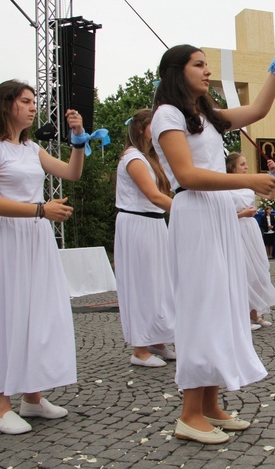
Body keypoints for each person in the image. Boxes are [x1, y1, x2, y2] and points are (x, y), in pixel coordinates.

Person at [151, 26, 275, 444]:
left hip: (216, 215)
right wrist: (248, 180)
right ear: (176, 72)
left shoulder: (206, 117)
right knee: (201, 309)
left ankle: (211, 406)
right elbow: (185, 175)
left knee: (222, 306)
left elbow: (255, 110)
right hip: (195, 214)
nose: (207, 70)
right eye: (199, 64)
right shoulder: (167, 115)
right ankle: (188, 414)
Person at [0, 80, 85, 435]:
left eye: (34, 101)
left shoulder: (32, 148)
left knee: (39, 313)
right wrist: (40, 209)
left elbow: (72, 172)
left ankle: (32, 398)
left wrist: (78, 138)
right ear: (7, 105)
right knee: (9, 314)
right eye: (26, 101)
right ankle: (0, 406)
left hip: (37, 236)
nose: (33, 106)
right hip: (10, 237)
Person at [115, 109, 176, 368]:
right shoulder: (133, 158)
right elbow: (153, 195)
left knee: (159, 283)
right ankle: (139, 349)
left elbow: (168, 190)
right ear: (141, 128)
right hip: (137, 223)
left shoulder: (151, 158)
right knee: (141, 284)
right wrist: (185, 212)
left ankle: (157, 340)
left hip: (154, 224)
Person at [225, 152, 275, 330]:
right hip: (235, 228)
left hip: (251, 229)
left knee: (258, 269)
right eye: (242, 164)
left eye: (246, 164)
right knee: (242, 272)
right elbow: (221, 214)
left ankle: (255, 313)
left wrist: (273, 174)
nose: (246, 167)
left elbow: (270, 196)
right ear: (232, 167)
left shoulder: (248, 184)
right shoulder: (224, 186)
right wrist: (242, 214)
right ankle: (242, 318)